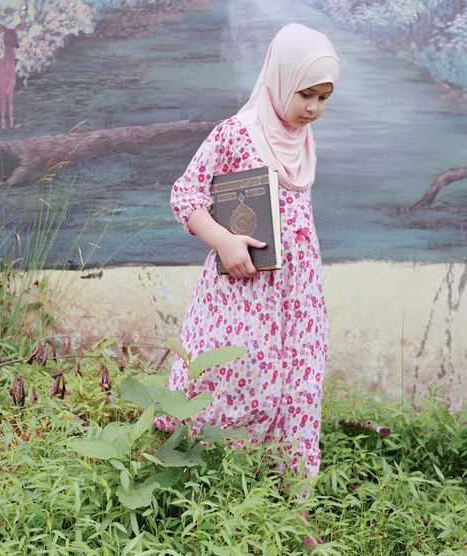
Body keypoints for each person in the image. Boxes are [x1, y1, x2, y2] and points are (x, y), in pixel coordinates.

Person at [155, 23, 340, 484]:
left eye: (324, 97)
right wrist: (223, 240)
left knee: (299, 379)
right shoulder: (237, 134)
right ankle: (215, 478)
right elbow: (186, 194)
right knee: (240, 373)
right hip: (244, 289)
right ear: (279, 79)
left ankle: (291, 492)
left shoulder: (302, 138)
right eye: (305, 95)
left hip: (297, 292)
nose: (314, 108)